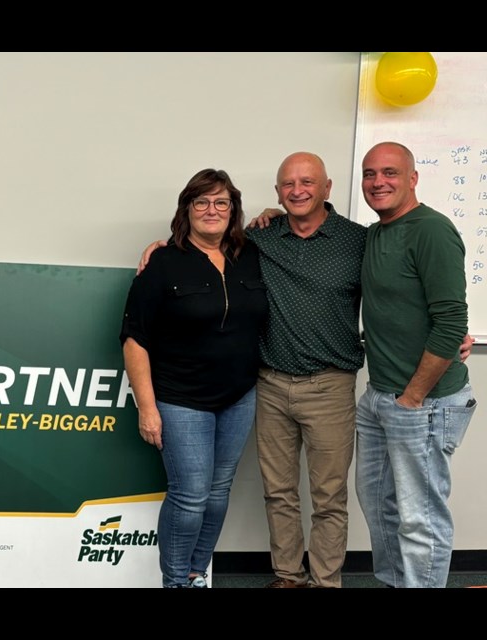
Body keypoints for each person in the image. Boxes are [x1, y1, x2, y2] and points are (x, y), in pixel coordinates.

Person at [139, 153, 366, 588]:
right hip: (270, 382)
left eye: (307, 182)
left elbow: (395, 291)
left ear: (328, 188)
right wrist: (160, 246)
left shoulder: (357, 240)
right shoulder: (262, 238)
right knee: (278, 492)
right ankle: (287, 576)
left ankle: (325, 582)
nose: (297, 191)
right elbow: (198, 247)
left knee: (328, 497)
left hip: (329, 385)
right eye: (287, 185)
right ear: (278, 192)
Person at [121, 168, 269, 588]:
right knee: (190, 497)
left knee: (218, 494)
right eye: (201, 202)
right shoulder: (163, 262)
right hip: (180, 399)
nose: (212, 210)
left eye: (221, 202)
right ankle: (175, 582)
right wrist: (147, 408)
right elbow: (134, 339)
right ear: (187, 210)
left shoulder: (251, 255)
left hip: (238, 396)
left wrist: (274, 210)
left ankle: (195, 572)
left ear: (233, 210)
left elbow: (289, 223)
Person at [356, 141, 476, 588]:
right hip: (380, 397)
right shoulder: (375, 233)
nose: (378, 182)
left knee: (420, 518)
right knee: (378, 505)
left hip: (424, 401)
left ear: (413, 178)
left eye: (390, 172)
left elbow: (451, 322)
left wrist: (413, 397)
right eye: (370, 174)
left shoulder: (431, 230)